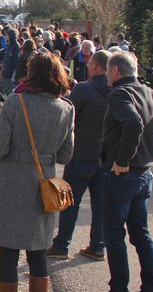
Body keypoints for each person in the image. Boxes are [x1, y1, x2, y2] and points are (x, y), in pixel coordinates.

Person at [0, 52, 74, 292]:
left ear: (31, 73)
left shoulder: (15, 101)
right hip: (44, 185)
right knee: (38, 251)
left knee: (8, 253)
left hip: (12, 182)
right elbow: (65, 155)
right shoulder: (66, 108)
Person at [101, 51, 153, 292]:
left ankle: (119, 287)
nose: (105, 74)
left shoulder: (119, 94)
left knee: (114, 236)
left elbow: (134, 123)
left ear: (115, 71)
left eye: (107, 70)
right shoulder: (150, 93)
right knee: (141, 234)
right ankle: (152, 286)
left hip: (122, 175)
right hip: (144, 176)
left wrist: (123, 159)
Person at [46, 49, 112, 262]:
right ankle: (98, 246)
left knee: (70, 202)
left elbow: (68, 117)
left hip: (82, 153)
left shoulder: (84, 89)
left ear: (94, 66)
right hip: (106, 157)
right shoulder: (118, 91)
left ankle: (62, 245)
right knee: (101, 204)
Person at [0, 28, 20, 96]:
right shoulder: (9, 45)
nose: (6, 37)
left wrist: (13, 73)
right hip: (6, 72)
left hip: (10, 74)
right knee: (4, 91)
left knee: (9, 92)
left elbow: (16, 61)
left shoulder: (16, 46)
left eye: (7, 35)